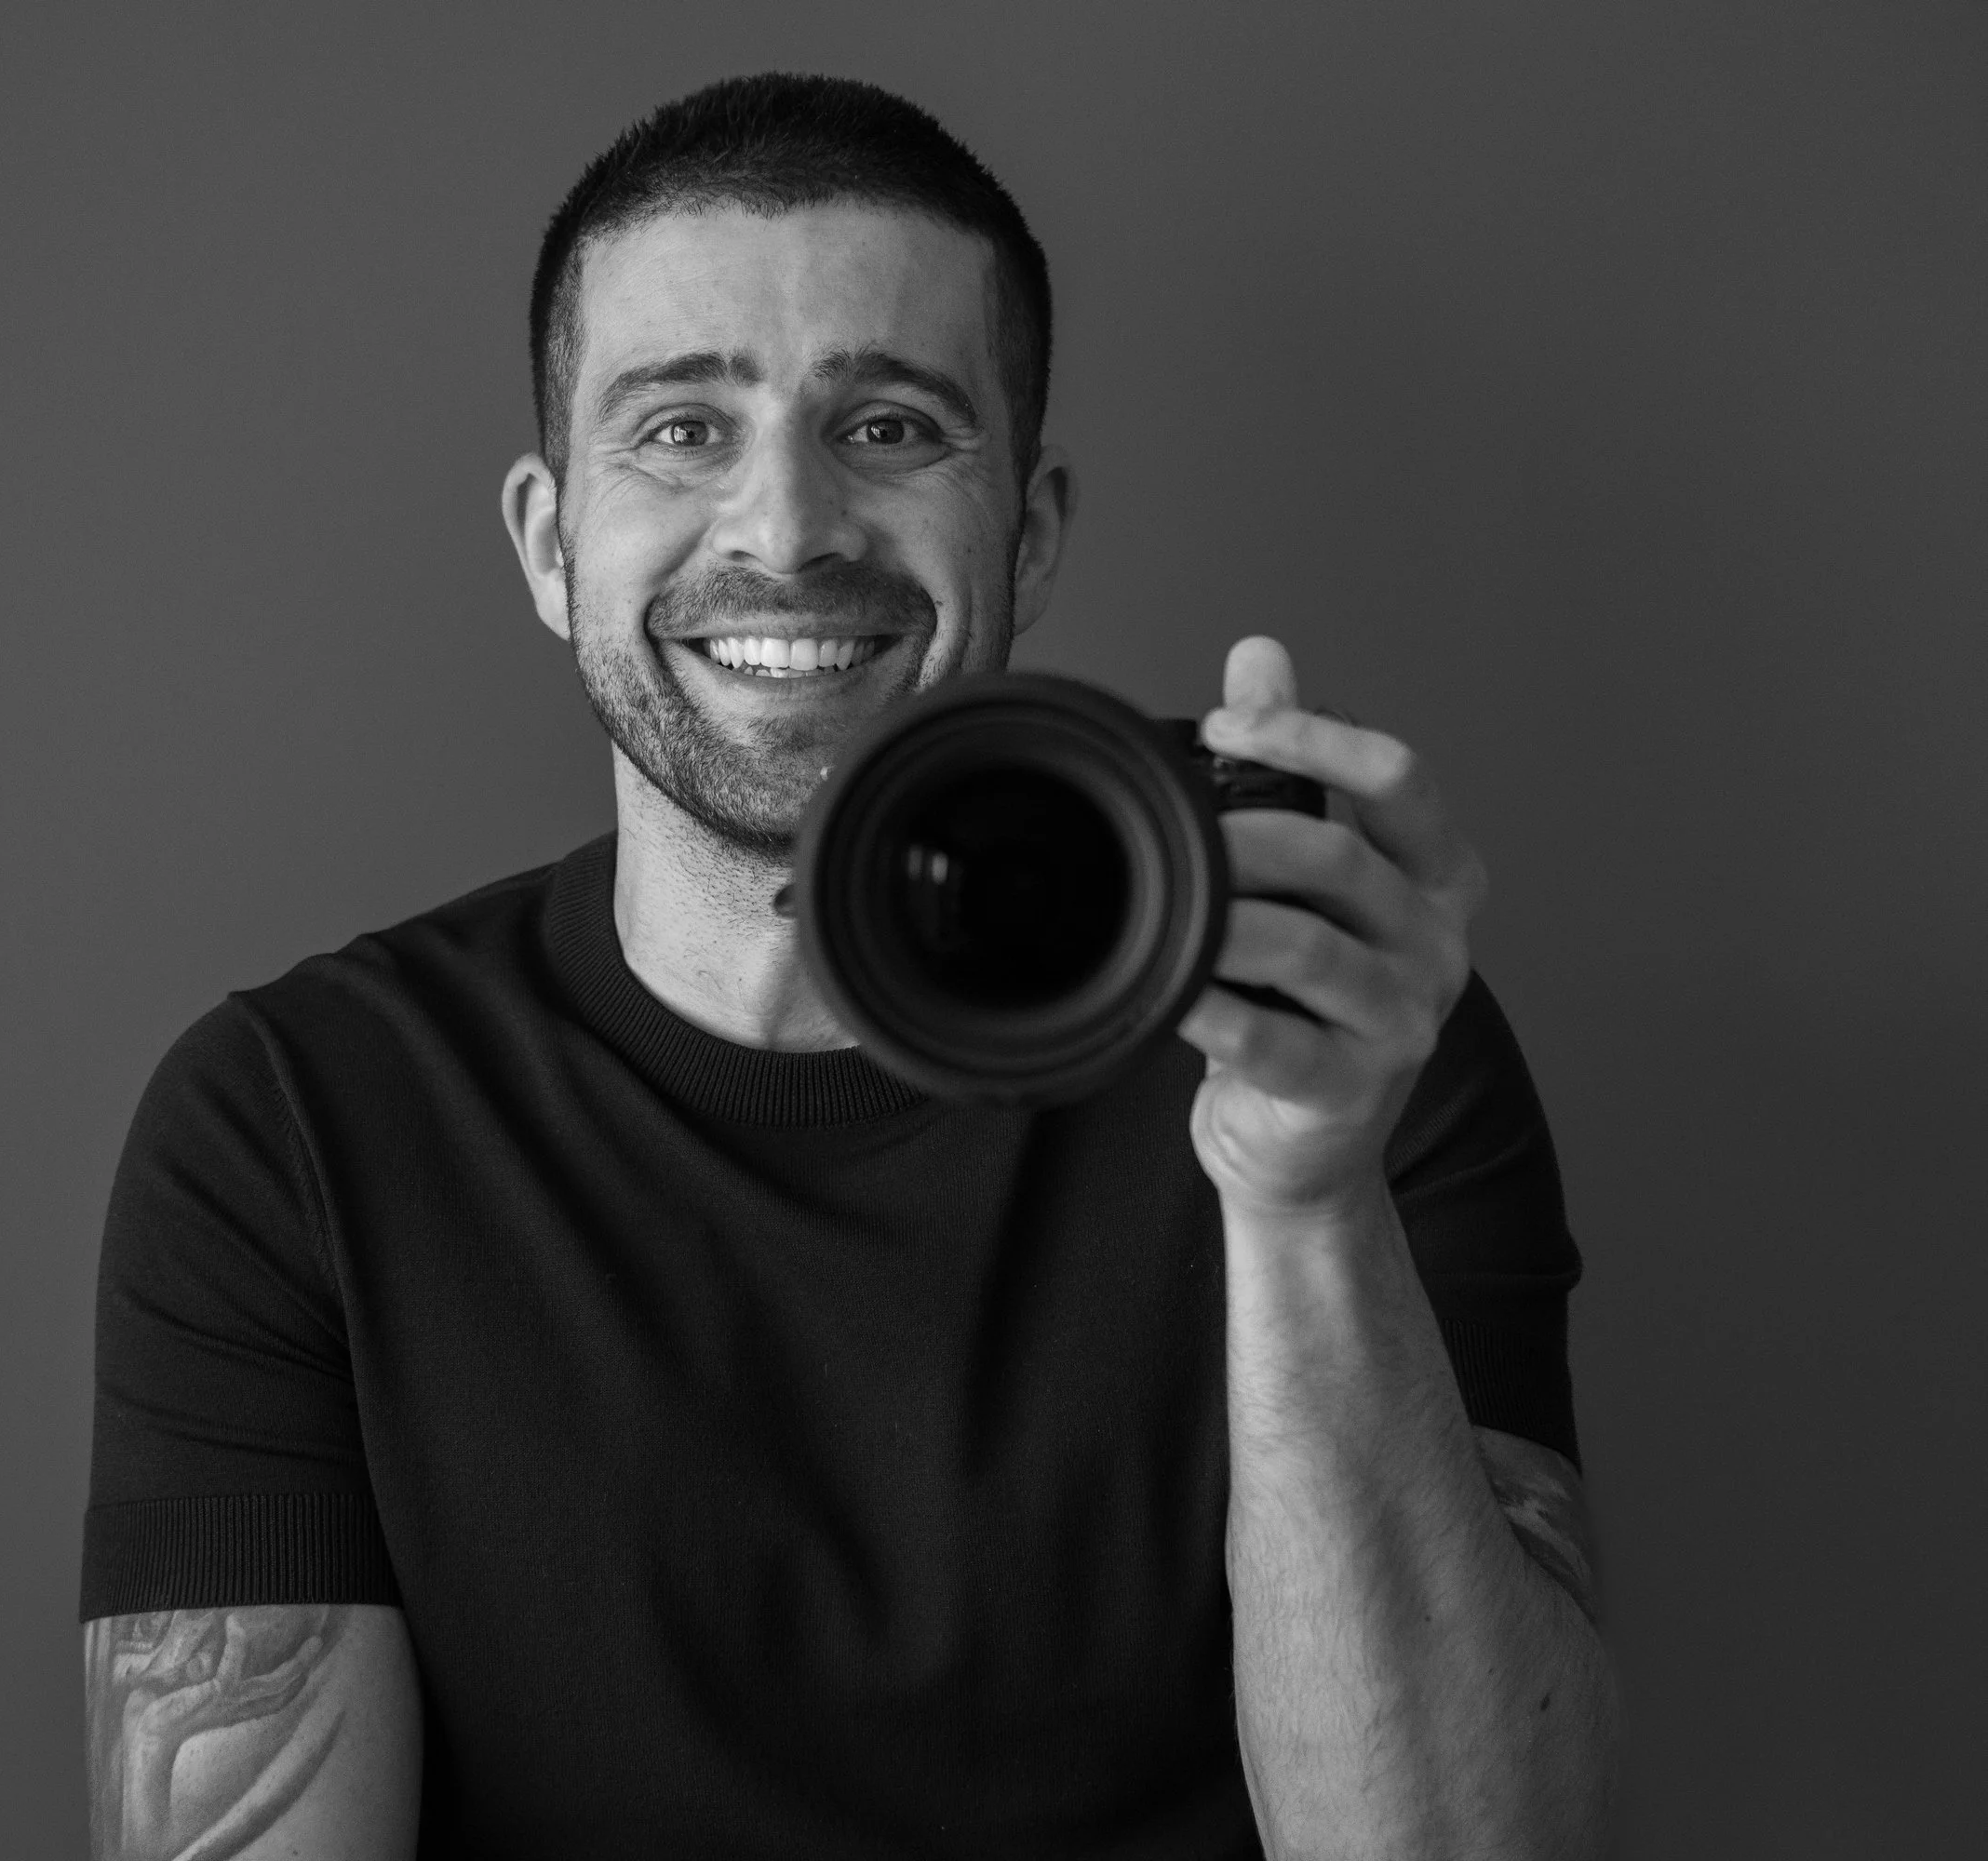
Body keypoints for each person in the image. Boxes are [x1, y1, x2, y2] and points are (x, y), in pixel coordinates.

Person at [81, 73, 1619, 1860]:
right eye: (677, 430)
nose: (788, 526)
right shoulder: (293, 1126)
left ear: (1025, 534)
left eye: (889, 427)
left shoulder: (1330, 1034)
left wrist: (1303, 1198)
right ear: (547, 541)